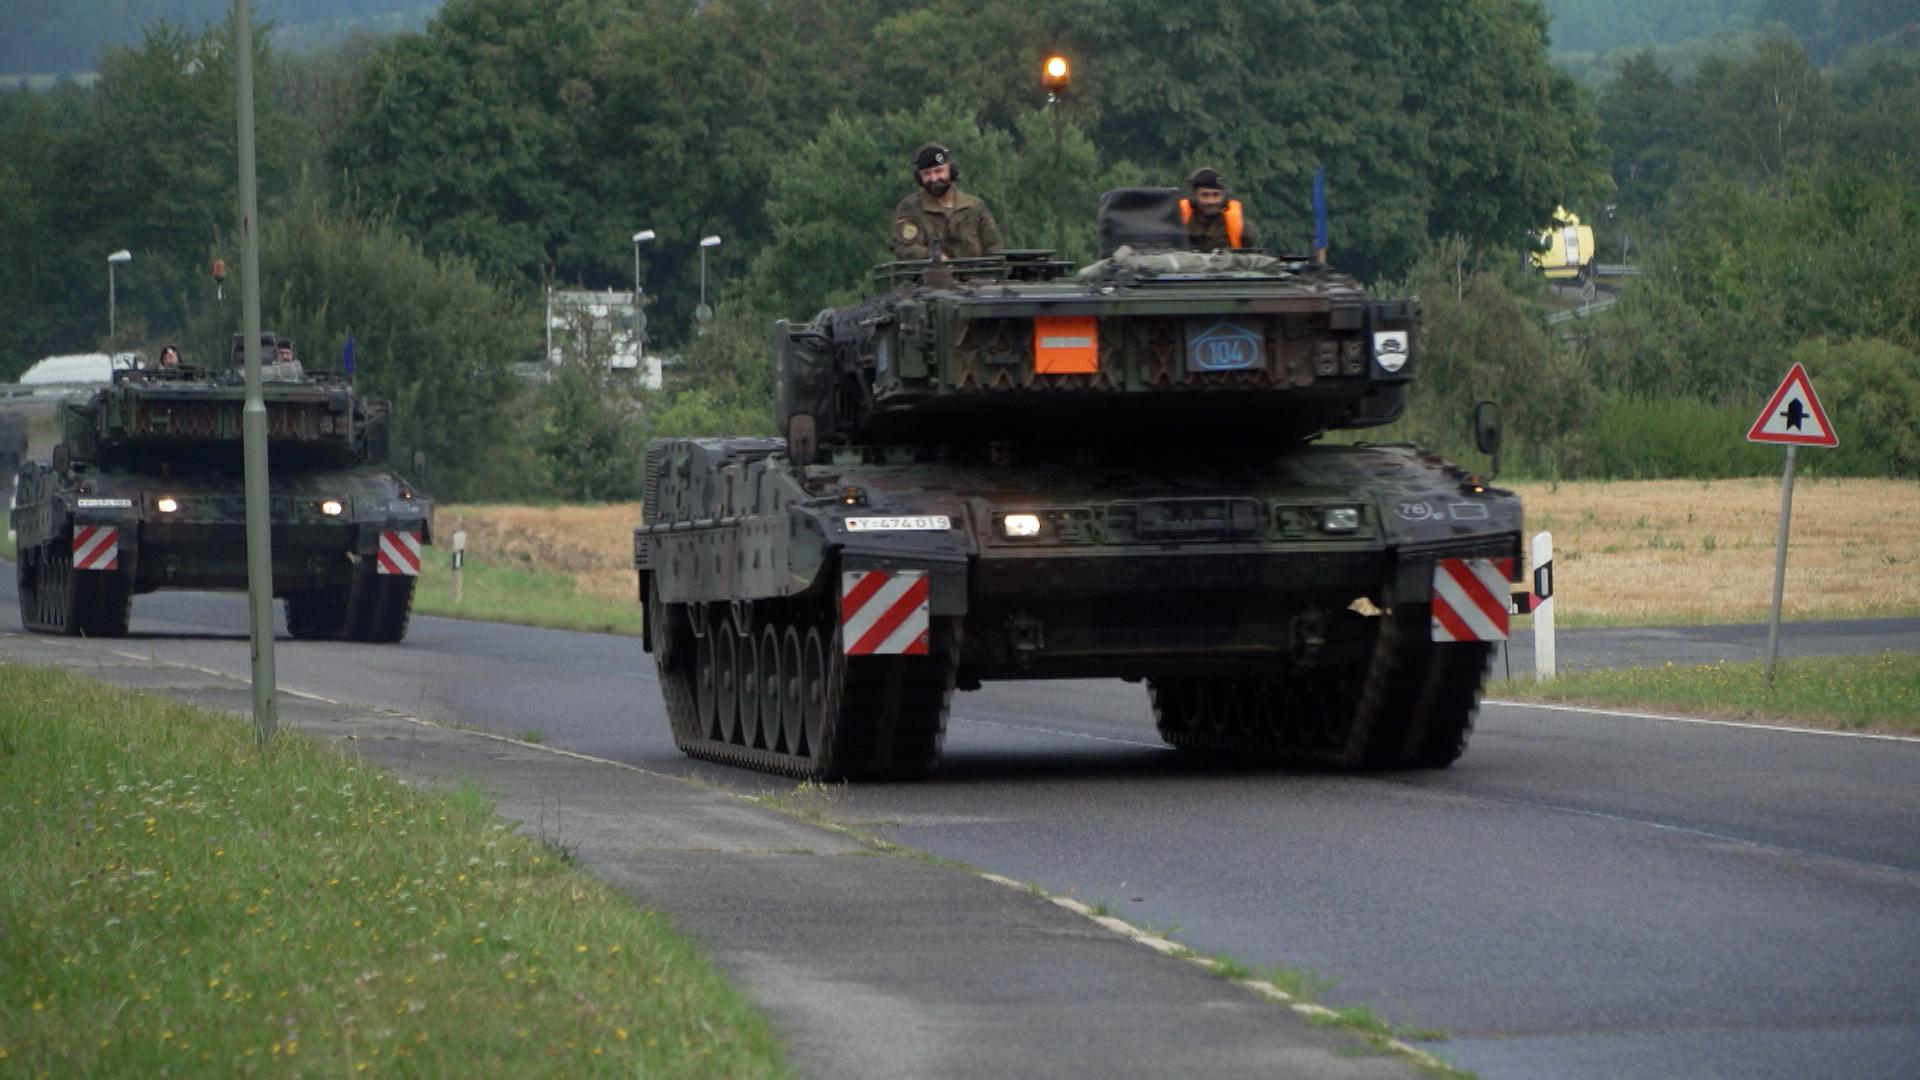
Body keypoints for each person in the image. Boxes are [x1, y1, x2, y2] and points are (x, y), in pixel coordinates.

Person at [892, 142, 1004, 261]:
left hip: (976, 276)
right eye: (927, 173)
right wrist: (932, 256)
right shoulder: (911, 207)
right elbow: (904, 247)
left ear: (951, 171)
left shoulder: (974, 206)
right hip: (931, 276)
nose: (934, 178)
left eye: (938, 171)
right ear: (919, 177)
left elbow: (994, 247)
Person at [1180, 167, 1261, 252]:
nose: (1211, 201)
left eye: (1216, 195)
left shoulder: (1242, 230)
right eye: (1205, 195)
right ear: (1194, 198)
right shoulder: (1178, 223)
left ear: (1224, 198)